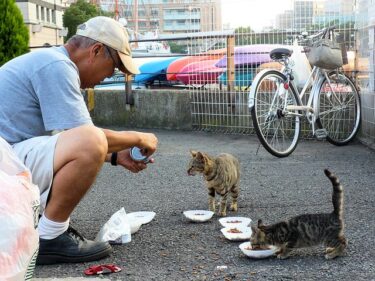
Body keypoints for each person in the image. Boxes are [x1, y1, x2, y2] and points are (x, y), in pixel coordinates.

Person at [0, 16, 158, 265]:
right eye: (113, 67)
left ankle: (42, 227)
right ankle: (49, 238)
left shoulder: (48, 61)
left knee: (90, 140)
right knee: (91, 138)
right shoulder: (56, 66)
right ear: (96, 51)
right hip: (5, 165)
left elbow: (62, 139)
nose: (108, 77)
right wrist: (138, 137)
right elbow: (87, 140)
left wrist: (116, 156)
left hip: (7, 159)